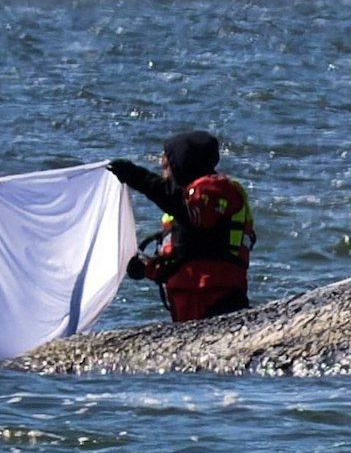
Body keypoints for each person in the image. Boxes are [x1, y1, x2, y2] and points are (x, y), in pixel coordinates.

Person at [108, 130, 255, 323]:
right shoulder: (184, 202)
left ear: (182, 165)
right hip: (187, 301)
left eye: (166, 166)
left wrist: (137, 177)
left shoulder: (215, 191)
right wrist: (148, 268)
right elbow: (184, 253)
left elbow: (184, 209)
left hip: (217, 299)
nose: (163, 172)